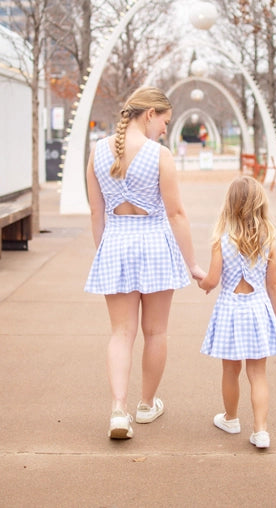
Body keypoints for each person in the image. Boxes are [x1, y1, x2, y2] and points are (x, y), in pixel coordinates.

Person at [85, 86, 205, 440]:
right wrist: (193, 264)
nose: (166, 129)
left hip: (116, 242)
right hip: (155, 244)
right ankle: (146, 404)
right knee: (156, 332)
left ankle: (118, 410)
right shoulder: (159, 155)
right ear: (150, 114)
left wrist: (104, 252)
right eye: (165, 121)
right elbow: (177, 214)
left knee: (121, 333)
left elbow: (96, 212)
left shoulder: (96, 152)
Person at [198, 176, 276, 449]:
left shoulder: (222, 241)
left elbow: (212, 281)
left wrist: (202, 281)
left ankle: (231, 418)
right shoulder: (267, 240)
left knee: (230, 370)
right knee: (258, 374)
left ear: (230, 205)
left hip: (230, 310)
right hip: (258, 308)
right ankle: (261, 431)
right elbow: (273, 284)